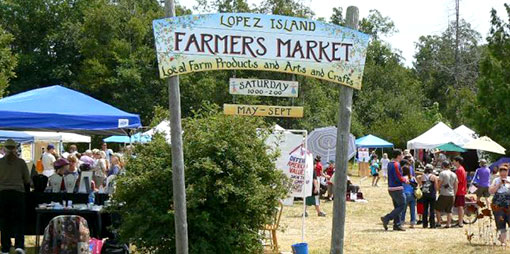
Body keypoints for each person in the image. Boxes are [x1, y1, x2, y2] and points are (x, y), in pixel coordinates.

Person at [0, 139, 30, 254]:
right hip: (18, 194)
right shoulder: (21, 162)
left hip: (2, 194)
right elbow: (27, 180)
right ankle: (19, 246)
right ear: (15, 149)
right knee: (19, 221)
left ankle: (5, 247)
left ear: (5, 148)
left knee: (4, 221)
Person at [381, 149, 408, 231]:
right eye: (402, 154)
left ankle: (397, 224)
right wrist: (406, 180)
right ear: (398, 156)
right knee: (402, 205)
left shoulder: (390, 164)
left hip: (391, 188)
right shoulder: (396, 164)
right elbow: (398, 176)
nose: (403, 156)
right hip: (397, 188)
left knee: (397, 206)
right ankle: (387, 218)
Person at [489, 165, 510, 245]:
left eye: (505, 174)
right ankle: (503, 241)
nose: (503, 176)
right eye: (502, 174)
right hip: (498, 206)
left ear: (507, 173)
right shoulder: (495, 180)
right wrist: (499, 184)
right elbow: (491, 191)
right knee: (501, 222)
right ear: (499, 173)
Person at [435, 161, 458, 228]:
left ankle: (439, 222)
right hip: (451, 194)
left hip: (444, 193)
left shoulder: (442, 173)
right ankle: (448, 224)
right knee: (449, 210)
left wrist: (437, 188)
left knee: (437, 209)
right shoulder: (454, 174)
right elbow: (456, 185)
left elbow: (440, 183)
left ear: (443, 166)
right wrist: (454, 194)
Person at [418, 164, 437, 228]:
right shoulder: (433, 176)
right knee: (432, 209)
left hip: (425, 194)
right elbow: (436, 186)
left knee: (425, 209)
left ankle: (424, 224)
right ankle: (432, 224)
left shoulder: (422, 176)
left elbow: (420, 183)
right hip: (432, 194)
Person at [452, 156, 467, 227]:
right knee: (459, 207)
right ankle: (460, 221)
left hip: (459, 190)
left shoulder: (459, 170)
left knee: (460, 207)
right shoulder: (461, 169)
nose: (453, 162)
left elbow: (458, 181)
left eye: (454, 161)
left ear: (457, 161)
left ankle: (460, 222)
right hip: (461, 190)